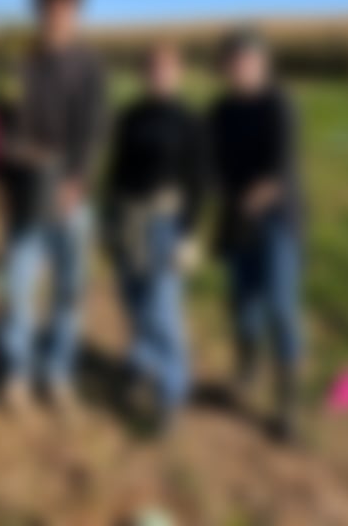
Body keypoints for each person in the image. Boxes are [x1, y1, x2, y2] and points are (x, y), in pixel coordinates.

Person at [0, 0, 106, 414]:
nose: (58, 14)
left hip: (71, 194)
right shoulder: (20, 64)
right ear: (38, 10)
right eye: (50, 5)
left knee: (69, 291)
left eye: (66, 6)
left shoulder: (89, 66)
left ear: (77, 12)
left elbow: (95, 129)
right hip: (27, 187)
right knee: (19, 288)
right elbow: (3, 124)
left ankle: (59, 375)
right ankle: (17, 373)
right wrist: (14, 159)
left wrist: (76, 181)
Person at [208, 27, 304, 442]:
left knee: (280, 307)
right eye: (233, 61)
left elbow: (279, 170)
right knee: (243, 305)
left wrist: (247, 201)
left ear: (263, 63)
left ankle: (288, 405)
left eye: (247, 60)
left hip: (277, 221)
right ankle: (246, 373)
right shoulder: (220, 110)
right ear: (224, 67)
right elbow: (208, 161)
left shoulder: (279, 104)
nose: (240, 68)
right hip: (237, 219)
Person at [103, 44, 204, 435]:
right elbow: (116, 169)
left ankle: (171, 393)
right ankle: (141, 366)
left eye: (166, 68)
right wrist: (109, 218)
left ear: (179, 73)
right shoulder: (130, 116)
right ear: (143, 74)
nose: (159, 74)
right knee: (133, 300)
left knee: (162, 308)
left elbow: (199, 182)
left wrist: (188, 234)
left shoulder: (189, 121)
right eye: (152, 68)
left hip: (165, 223)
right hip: (128, 218)